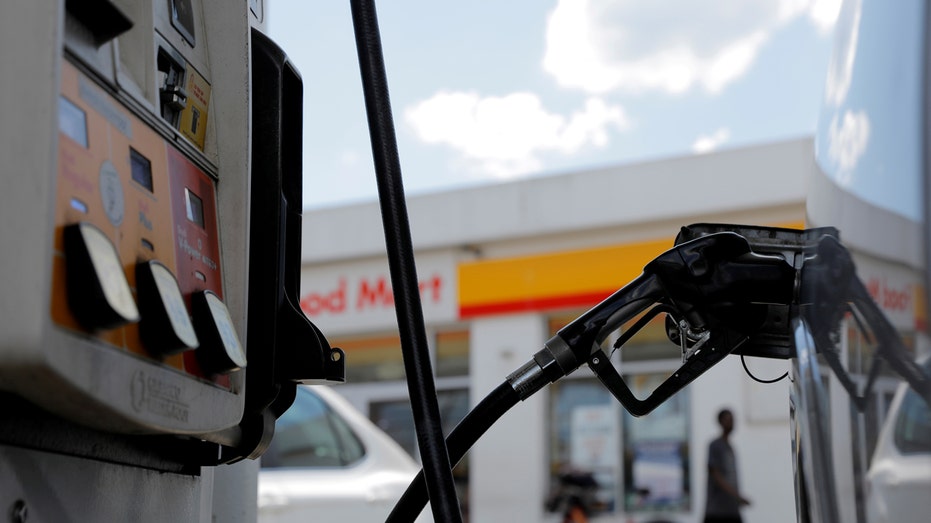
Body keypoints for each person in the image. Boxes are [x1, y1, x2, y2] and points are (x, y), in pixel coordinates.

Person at [704, 408, 751, 523]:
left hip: (731, 509)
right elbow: (716, 475)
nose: (731, 423)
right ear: (720, 422)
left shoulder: (730, 447)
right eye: (728, 420)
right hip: (717, 511)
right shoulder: (715, 445)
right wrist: (737, 496)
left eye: (732, 420)